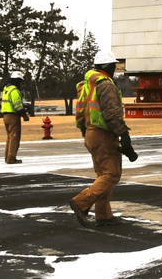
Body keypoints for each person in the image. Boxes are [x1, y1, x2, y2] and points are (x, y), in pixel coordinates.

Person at [70, 52, 136, 228]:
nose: (116, 69)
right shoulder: (105, 85)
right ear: (108, 66)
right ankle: (81, 202)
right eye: (114, 66)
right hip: (103, 134)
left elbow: (81, 111)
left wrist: (85, 132)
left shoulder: (87, 85)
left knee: (103, 175)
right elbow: (112, 113)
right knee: (111, 175)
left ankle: (104, 215)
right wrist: (124, 135)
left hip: (92, 133)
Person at [0, 71, 28, 164]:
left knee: (9, 137)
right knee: (14, 138)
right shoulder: (14, 91)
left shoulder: (6, 89)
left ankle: (7, 157)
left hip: (5, 116)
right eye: (19, 81)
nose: (20, 83)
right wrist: (24, 115)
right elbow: (18, 105)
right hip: (13, 116)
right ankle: (11, 158)